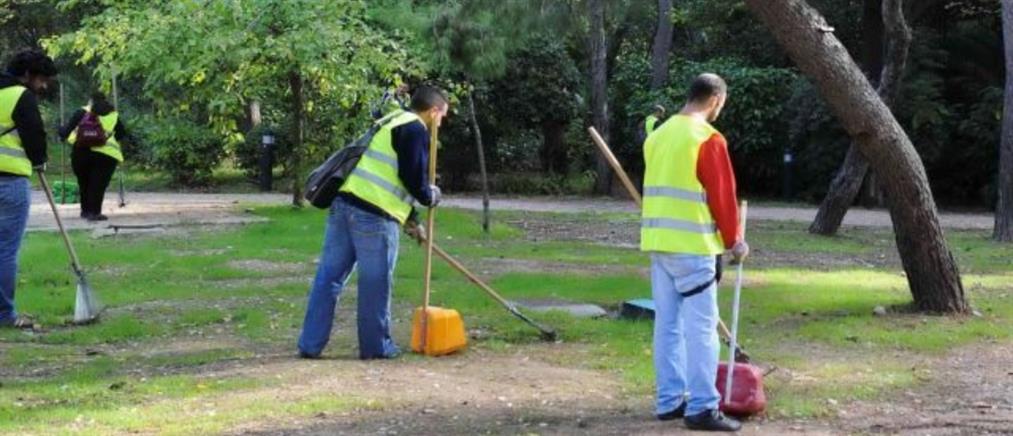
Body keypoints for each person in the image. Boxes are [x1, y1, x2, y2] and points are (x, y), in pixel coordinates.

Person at [298, 85, 448, 360]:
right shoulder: (415, 128)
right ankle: (376, 348)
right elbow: (412, 178)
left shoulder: (391, 120)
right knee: (375, 283)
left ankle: (310, 345)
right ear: (434, 111)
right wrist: (431, 196)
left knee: (329, 278)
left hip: (344, 205)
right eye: (442, 117)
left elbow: (389, 174)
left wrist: (411, 220)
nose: (441, 123)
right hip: (375, 217)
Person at [641, 73, 748, 432]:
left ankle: (669, 401)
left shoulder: (658, 136)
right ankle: (703, 406)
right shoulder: (708, 139)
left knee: (667, 325)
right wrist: (734, 240)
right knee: (702, 330)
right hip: (693, 248)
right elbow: (723, 196)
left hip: (659, 244)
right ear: (715, 100)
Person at [0, 50, 58, 329]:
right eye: (42, 79)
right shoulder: (20, 96)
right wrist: (39, 161)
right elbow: (34, 136)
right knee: (6, 250)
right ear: (26, 75)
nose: (44, 86)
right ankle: (4, 314)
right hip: (10, 182)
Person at [59, 92, 129, 221]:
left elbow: (65, 132)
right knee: (98, 184)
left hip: (81, 152)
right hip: (106, 156)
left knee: (84, 182)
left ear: (90, 100)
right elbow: (121, 135)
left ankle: (85, 211)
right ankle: (95, 212)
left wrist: (60, 130)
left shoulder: (81, 112)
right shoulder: (113, 115)